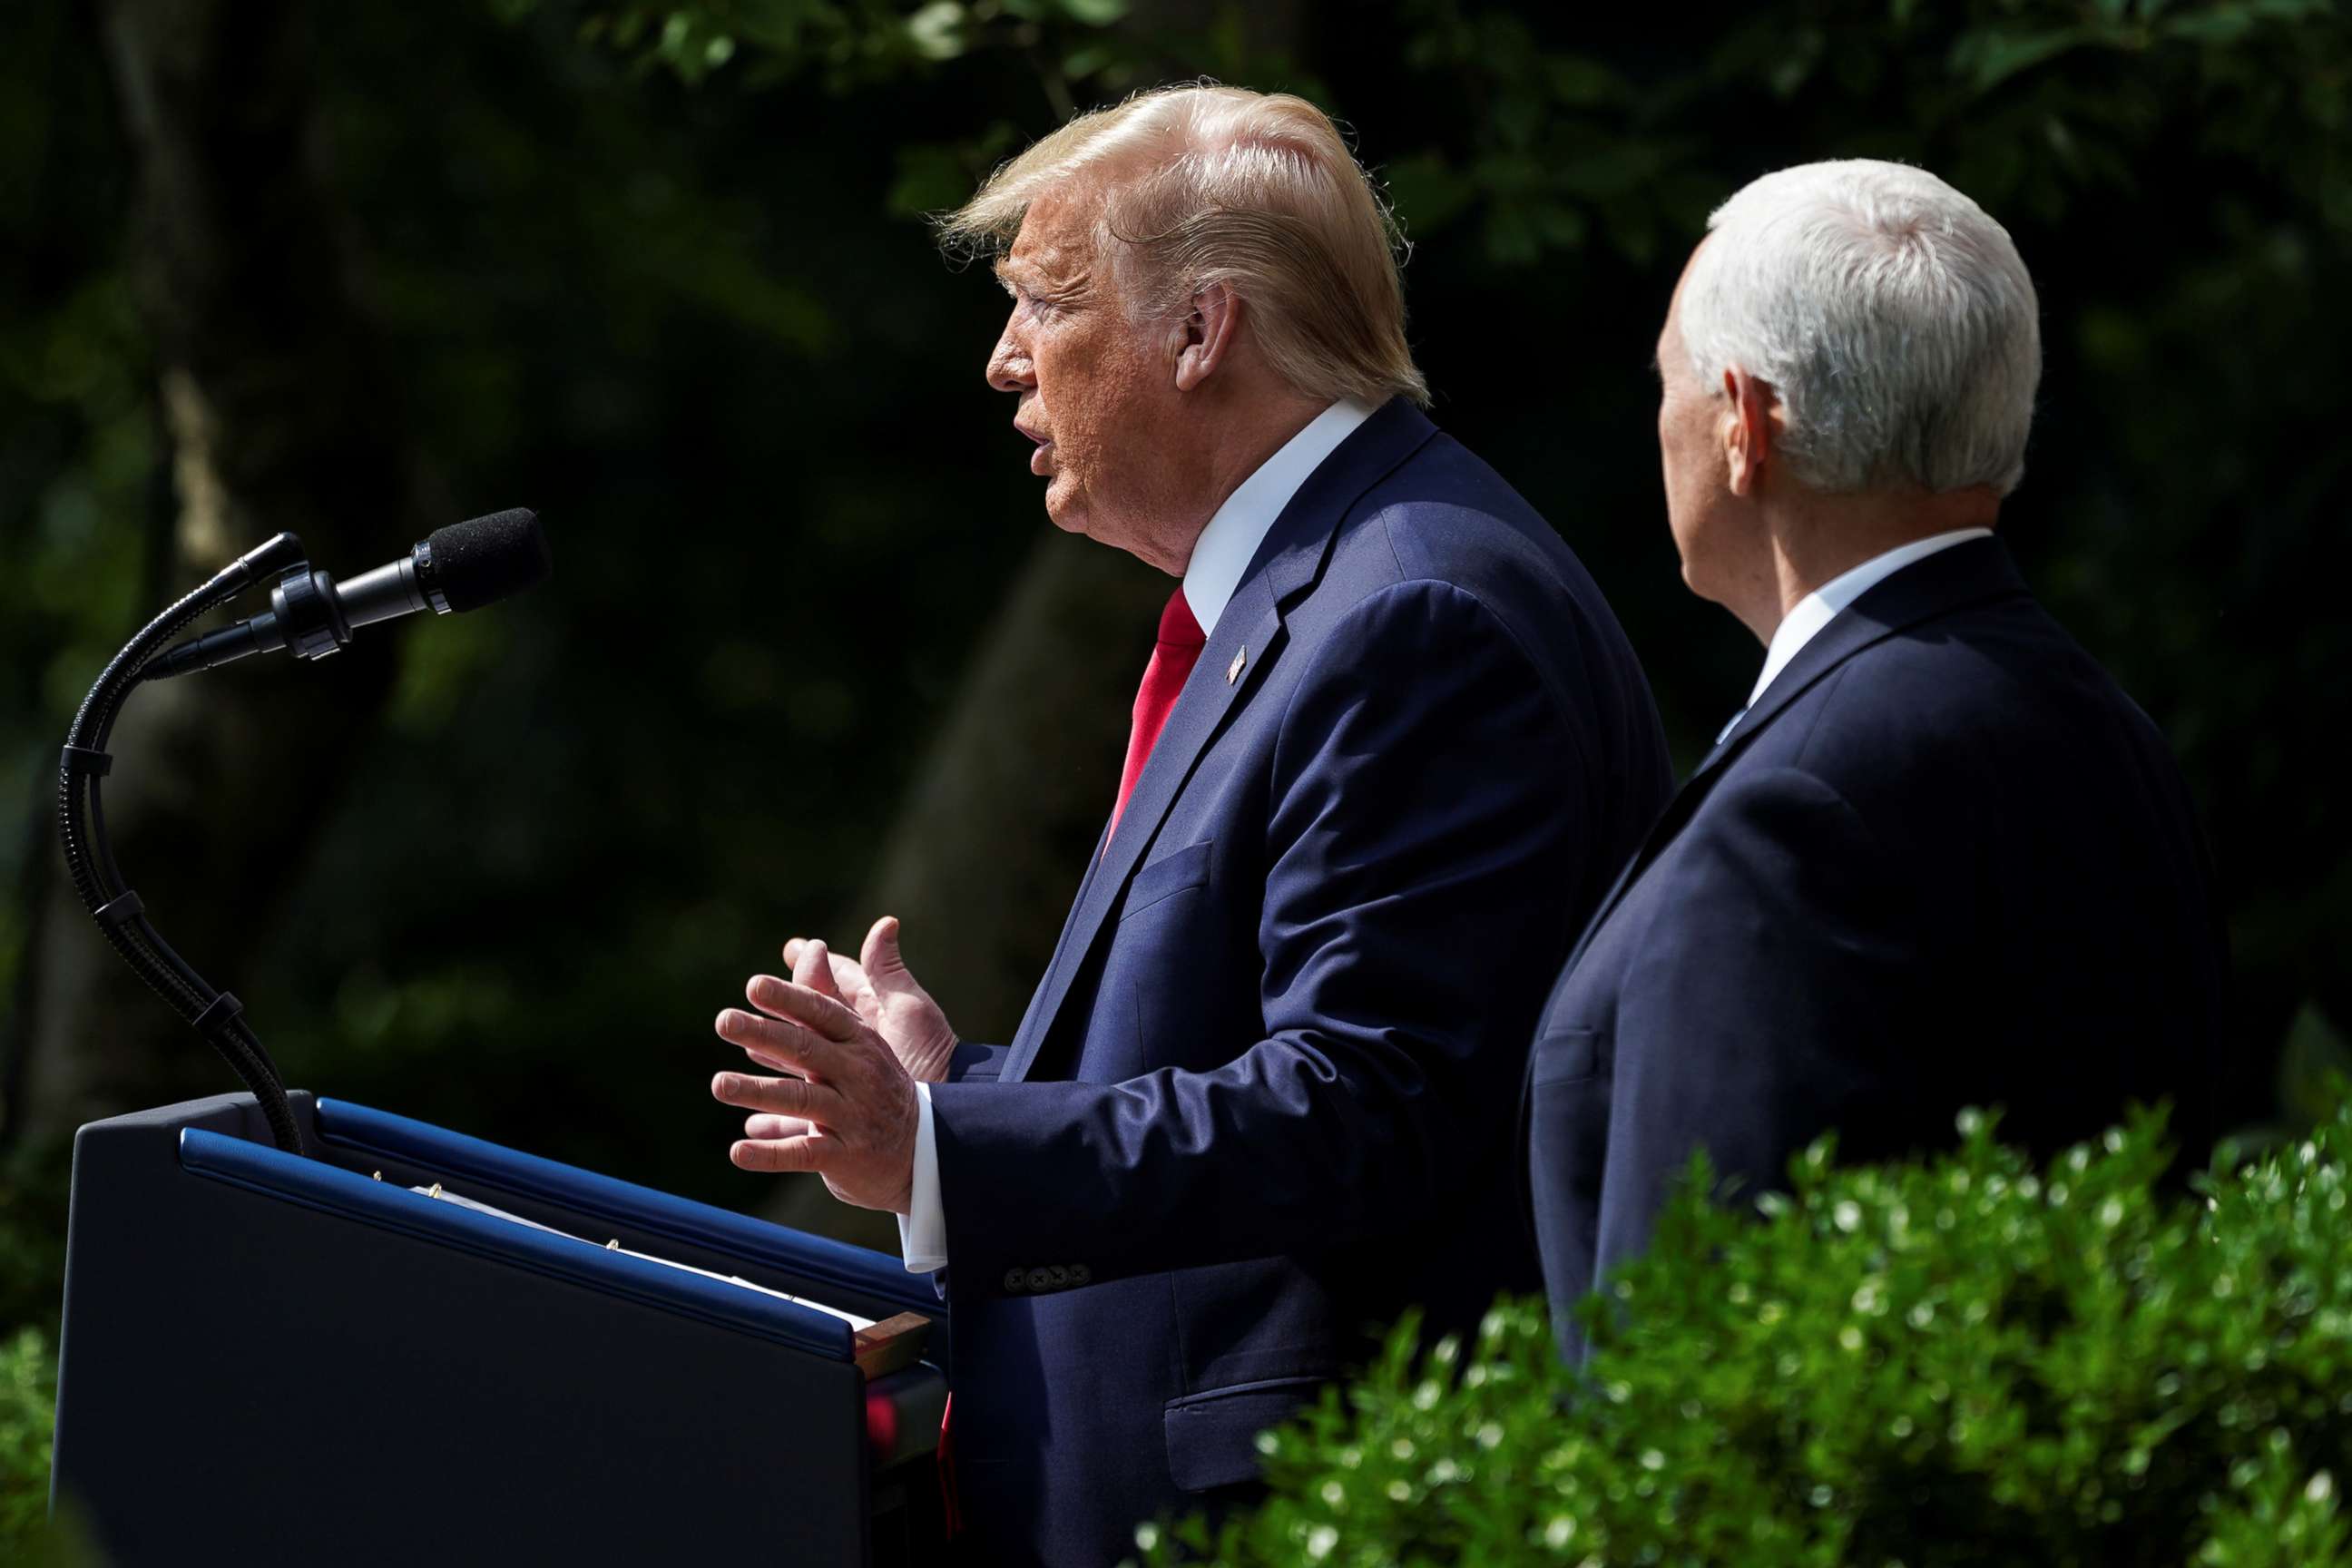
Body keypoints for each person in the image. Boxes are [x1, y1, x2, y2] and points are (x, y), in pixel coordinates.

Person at [702, 85, 1671, 1563]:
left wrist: (948, 1151)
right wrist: (962, 1083)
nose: (1001, 360)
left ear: (1200, 330)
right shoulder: (1326, 588)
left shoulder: (1412, 609)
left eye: (1043, 302)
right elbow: (1239, 1055)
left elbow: (1369, 1102)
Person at [1526, 160, 2229, 1361]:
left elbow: (1710, 1363)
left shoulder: (1795, 806)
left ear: (1744, 427)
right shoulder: (2100, 721)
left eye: (1669, 386)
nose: (1662, 422)